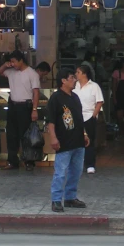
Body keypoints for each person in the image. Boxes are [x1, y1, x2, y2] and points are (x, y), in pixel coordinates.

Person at [48, 68, 90, 213]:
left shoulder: (75, 97)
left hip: (77, 140)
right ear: (63, 81)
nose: (75, 79)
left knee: (76, 171)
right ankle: (56, 199)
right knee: (60, 172)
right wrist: (53, 137)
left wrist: (84, 133)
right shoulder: (56, 98)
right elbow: (51, 121)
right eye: (72, 77)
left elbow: (79, 118)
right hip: (64, 141)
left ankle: (70, 197)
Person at [0, 50, 41, 171]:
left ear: (21, 60)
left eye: (14, 61)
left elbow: (36, 93)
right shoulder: (11, 72)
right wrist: (6, 65)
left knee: (26, 135)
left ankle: (29, 161)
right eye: (11, 62)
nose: (13, 64)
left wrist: (34, 109)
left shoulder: (32, 74)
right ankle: (12, 161)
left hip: (26, 106)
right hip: (13, 105)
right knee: (11, 134)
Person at [74, 65, 104, 174]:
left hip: (88, 116)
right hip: (75, 117)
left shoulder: (94, 86)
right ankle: (77, 163)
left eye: (78, 72)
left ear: (84, 74)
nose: (76, 74)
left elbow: (99, 101)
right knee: (75, 141)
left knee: (89, 141)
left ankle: (90, 164)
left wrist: (93, 116)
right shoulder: (74, 85)